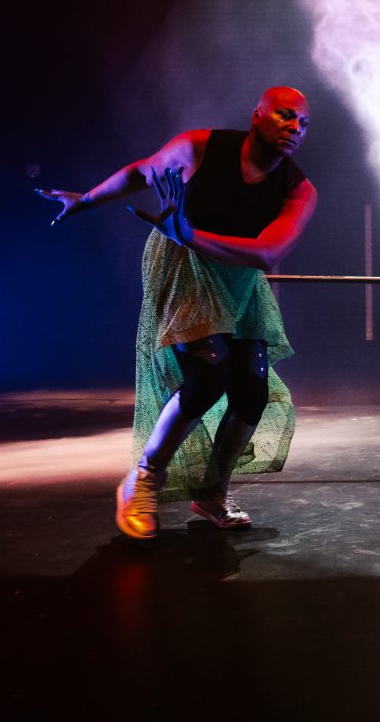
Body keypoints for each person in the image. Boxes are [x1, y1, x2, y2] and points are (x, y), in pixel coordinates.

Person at [37, 86, 317, 539]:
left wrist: (191, 233)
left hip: (238, 277)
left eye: (303, 123)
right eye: (286, 116)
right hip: (179, 264)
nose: (295, 128)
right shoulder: (199, 147)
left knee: (252, 389)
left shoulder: (298, 189)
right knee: (209, 374)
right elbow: (142, 172)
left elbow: (268, 254)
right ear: (257, 116)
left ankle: (211, 492)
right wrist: (85, 199)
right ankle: (143, 479)